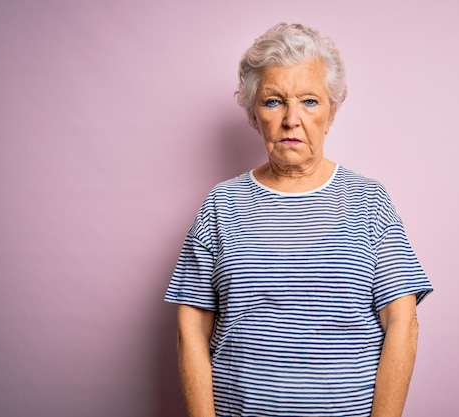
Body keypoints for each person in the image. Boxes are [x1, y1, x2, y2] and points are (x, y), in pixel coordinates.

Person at [165, 23, 433, 417]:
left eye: (309, 101)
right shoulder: (222, 204)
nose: (292, 119)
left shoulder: (368, 200)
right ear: (255, 114)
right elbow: (191, 327)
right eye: (274, 102)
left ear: (332, 112)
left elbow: (403, 322)